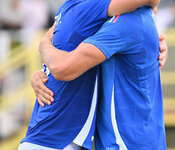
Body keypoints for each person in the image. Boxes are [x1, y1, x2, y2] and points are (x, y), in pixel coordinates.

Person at [19, 0, 164, 150]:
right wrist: (43, 61)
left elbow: (61, 63)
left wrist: (44, 48)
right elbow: (61, 66)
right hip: (56, 140)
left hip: (62, 137)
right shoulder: (95, 11)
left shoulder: (76, 10)